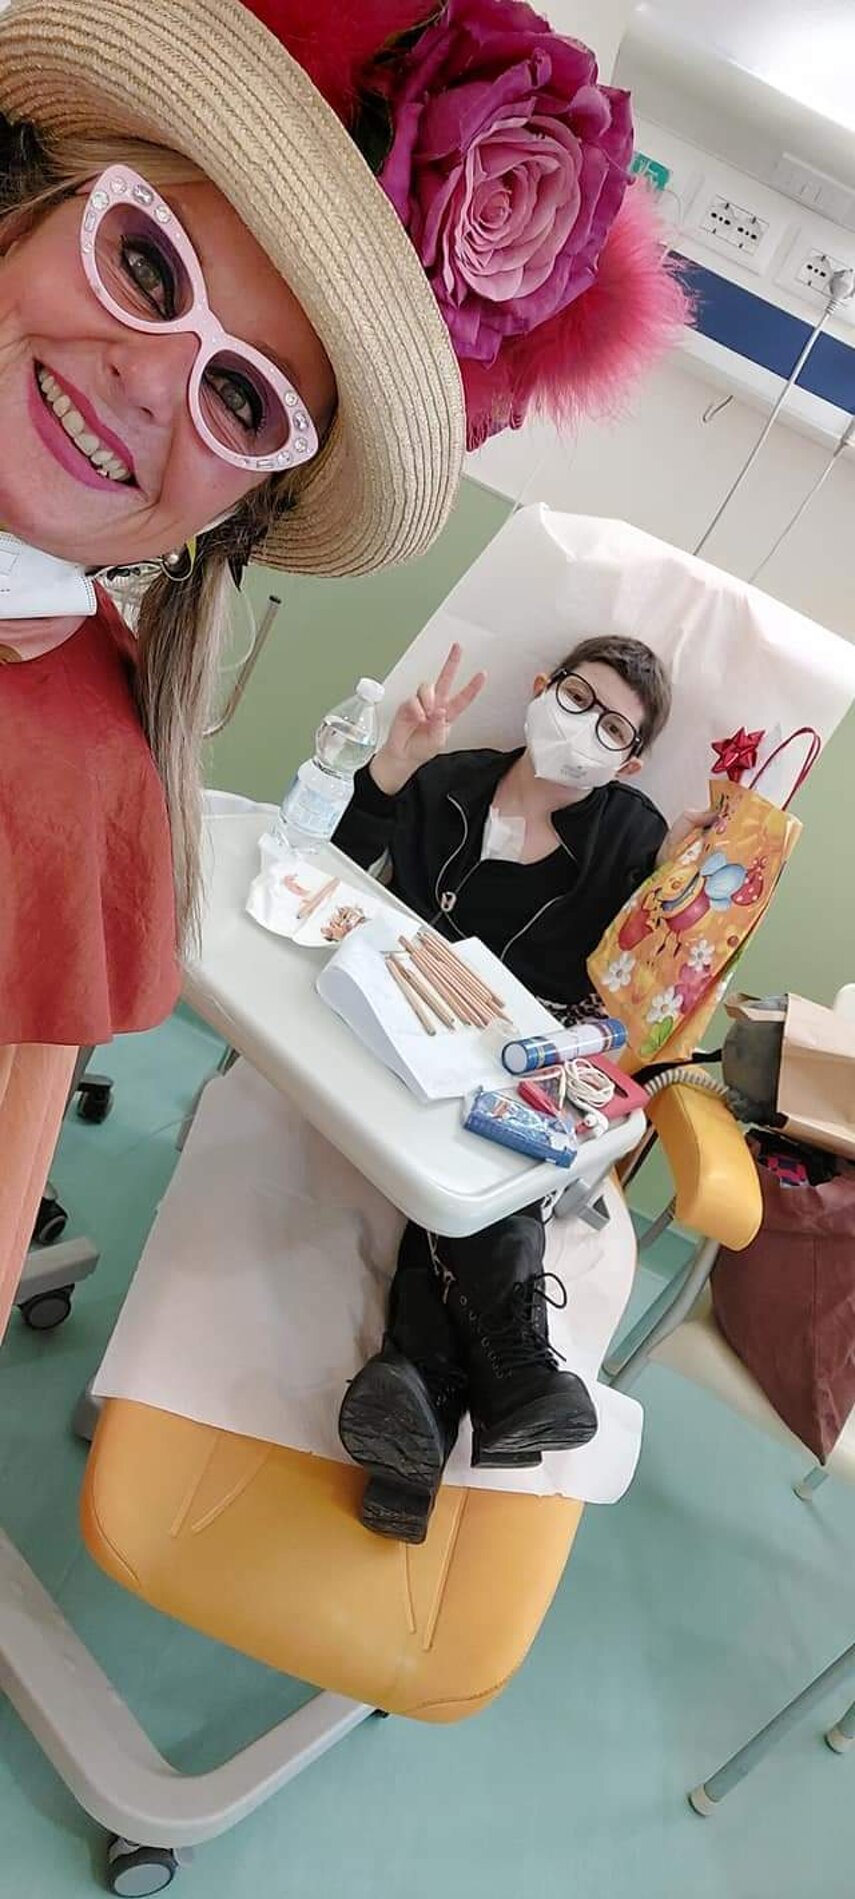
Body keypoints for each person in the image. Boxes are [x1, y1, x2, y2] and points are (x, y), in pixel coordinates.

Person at [0, 0, 687, 1338]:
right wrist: (391, 768)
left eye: (241, 397)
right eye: (145, 265)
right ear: (32, 209)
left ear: (237, 505)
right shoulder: (460, 778)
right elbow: (346, 853)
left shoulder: (75, 779)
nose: (150, 383)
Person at [336, 636, 709, 1542]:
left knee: (493, 1151)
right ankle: (515, 1372)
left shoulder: (629, 838)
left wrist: (669, 891)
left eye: (613, 728)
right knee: (471, 1149)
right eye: (577, 698)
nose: (585, 728)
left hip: (525, 1057)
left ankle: (421, 1406)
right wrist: (389, 769)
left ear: (629, 760)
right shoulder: (448, 780)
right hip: (405, 1017)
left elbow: (641, 994)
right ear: (543, 688)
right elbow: (333, 866)